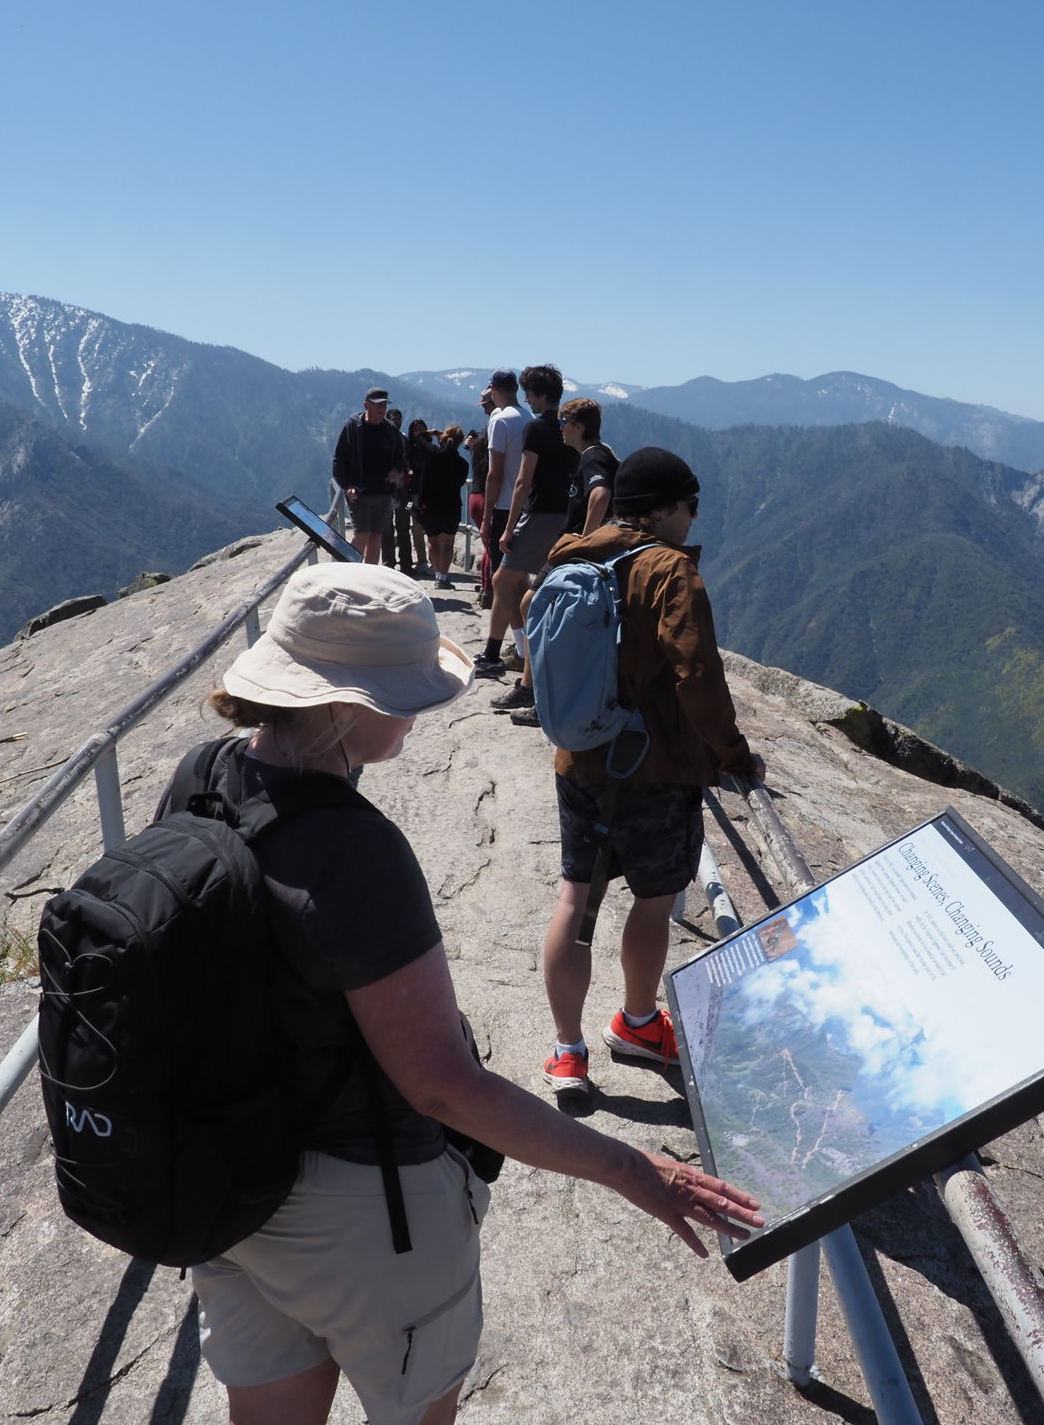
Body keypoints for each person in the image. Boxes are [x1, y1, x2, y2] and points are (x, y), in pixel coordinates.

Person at [180, 563, 762, 1425]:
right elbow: (441, 1085)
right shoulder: (357, 854)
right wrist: (635, 1170)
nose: (415, 711)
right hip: (363, 1212)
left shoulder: (202, 774)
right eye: (401, 694)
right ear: (345, 706)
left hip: (229, 1181)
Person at [535, 447, 765, 1094]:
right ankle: (637, 1024)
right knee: (654, 898)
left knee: (575, 899)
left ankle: (567, 1052)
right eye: (691, 505)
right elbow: (697, 674)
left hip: (579, 761)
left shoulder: (570, 554)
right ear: (664, 508)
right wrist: (732, 757)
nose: (694, 518)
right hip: (656, 770)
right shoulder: (669, 572)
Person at [475, 363, 574, 693]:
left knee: (504, 579)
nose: (527, 398)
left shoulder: (534, 428)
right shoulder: (566, 425)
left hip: (538, 511)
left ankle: (505, 653)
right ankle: (519, 651)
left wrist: (508, 526)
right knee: (525, 583)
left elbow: (521, 480)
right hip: (566, 513)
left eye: (531, 392)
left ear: (542, 394)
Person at [330, 389, 406, 564]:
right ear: (366, 405)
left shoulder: (390, 430)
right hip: (359, 492)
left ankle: (368, 578)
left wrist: (396, 470)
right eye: (378, 404)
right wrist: (346, 484)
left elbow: (400, 457)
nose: (382, 407)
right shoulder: (353, 427)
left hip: (384, 492)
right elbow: (339, 459)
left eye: (385, 404)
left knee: (376, 536)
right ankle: (349, 574)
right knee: (362, 533)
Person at [478, 368, 526, 619]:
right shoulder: (529, 418)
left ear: (494, 389)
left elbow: (494, 473)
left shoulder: (500, 421)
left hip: (503, 506)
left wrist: (487, 516)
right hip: (525, 508)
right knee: (519, 577)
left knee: (502, 580)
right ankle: (524, 639)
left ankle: (515, 641)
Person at [419, 424, 470, 590]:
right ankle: (443, 577)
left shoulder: (432, 455)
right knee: (448, 543)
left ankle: (436, 575)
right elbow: (460, 483)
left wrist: (433, 433)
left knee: (432, 542)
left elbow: (419, 436)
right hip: (452, 505)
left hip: (430, 504)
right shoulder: (462, 464)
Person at [560, 397, 618, 537]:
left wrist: (586, 540)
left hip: (586, 546)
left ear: (578, 427)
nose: (560, 427)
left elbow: (601, 495)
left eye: (563, 422)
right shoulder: (602, 452)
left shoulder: (592, 456)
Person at [392, 416, 433, 576]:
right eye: (416, 430)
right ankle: (422, 560)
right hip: (412, 495)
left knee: (429, 527)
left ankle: (432, 560)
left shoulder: (431, 449)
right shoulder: (408, 450)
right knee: (416, 526)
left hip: (428, 494)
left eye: (421, 430)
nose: (418, 433)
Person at [464, 422, 491, 604]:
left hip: (474, 496)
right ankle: (488, 590)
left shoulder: (478, 451)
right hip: (487, 497)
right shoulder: (493, 454)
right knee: (493, 549)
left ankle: (484, 587)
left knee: (487, 547)